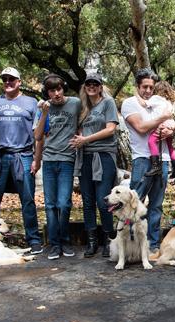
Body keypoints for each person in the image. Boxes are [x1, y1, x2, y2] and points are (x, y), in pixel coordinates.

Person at [0, 67, 43, 255]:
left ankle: (33, 239)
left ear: (19, 82)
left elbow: (39, 135)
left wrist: (36, 159)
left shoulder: (31, 103)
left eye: (12, 79)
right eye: (5, 79)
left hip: (23, 156)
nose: (8, 82)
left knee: (28, 199)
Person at [121, 68, 175, 253]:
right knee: (135, 202)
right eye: (144, 87)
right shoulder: (129, 104)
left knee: (157, 204)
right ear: (137, 86)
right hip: (142, 159)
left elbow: (172, 123)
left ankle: (152, 244)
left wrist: (172, 130)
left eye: (151, 87)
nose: (148, 91)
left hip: (163, 157)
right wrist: (164, 117)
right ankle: (131, 242)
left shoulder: (158, 103)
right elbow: (142, 128)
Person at [70, 73, 119, 258]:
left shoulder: (108, 103)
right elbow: (79, 129)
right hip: (85, 157)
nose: (91, 86)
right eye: (88, 84)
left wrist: (85, 139)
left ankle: (109, 240)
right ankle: (92, 242)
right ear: (85, 87)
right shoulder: (82, 107)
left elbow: (110, 129)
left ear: (100, 87)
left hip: (104, 155)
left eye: (95, 84)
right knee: (88, 200)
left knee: (103, 200)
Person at [34, 74, 80, 260]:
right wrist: (44, 113)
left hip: (67, 159)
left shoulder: (75, 103)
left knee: (64, 203)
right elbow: (38, 136)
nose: (57, 93)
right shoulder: (43, 108)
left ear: (64, 88)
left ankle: (65, 240)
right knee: (51, 205)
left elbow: (86, 118)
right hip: (49, 160)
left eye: (59, 89)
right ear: (48, 93)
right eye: (52, 90)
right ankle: (54, 244)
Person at [143, 81, 175, 178]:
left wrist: (137, 96)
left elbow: (145, 104)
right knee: (170, 146)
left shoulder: (156, 98)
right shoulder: (169, 102)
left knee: (151, 141)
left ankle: (156, 166)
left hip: (162, 124)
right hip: (170, 124)